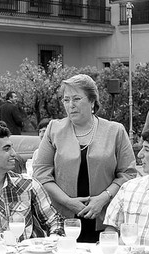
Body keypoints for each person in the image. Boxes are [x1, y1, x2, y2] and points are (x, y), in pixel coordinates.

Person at [33, 74, 137, 243]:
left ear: (92, 101)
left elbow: (128, 174)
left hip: (105, 218)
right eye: (66, 100)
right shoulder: (54, 129)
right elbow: (41, 175)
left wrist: (104, 197)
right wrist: (68, 202)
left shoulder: (115, 131)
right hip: (63, 220)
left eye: (76, 99)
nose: (70, 105)